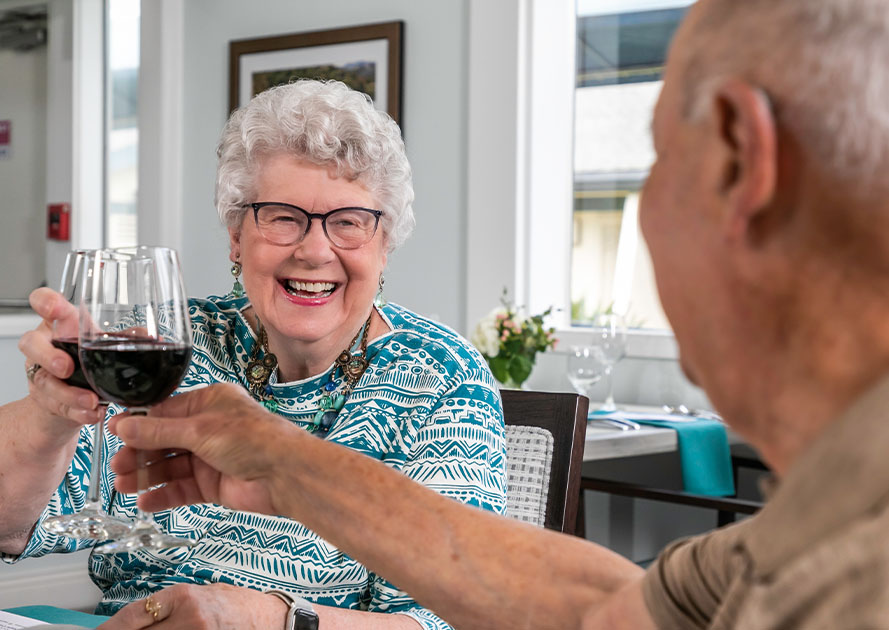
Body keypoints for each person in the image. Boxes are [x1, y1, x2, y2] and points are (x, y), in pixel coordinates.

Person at [104, 0, 889, 627]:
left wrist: (274, 613)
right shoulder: (811, 524)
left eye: (655, 159)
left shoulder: (854, 576)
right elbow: (602, 611)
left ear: (736, 158)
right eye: (283, 218)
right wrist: (284, 461)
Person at [0, 80, 507, 629]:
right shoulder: (178, 343)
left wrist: (274, 620)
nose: (314, 251)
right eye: (283, 216)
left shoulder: (441, 379)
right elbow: (9, 524)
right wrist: (53, 413)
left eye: (349, 222)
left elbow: (452, 621)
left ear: (385, 245)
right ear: (237, 235)